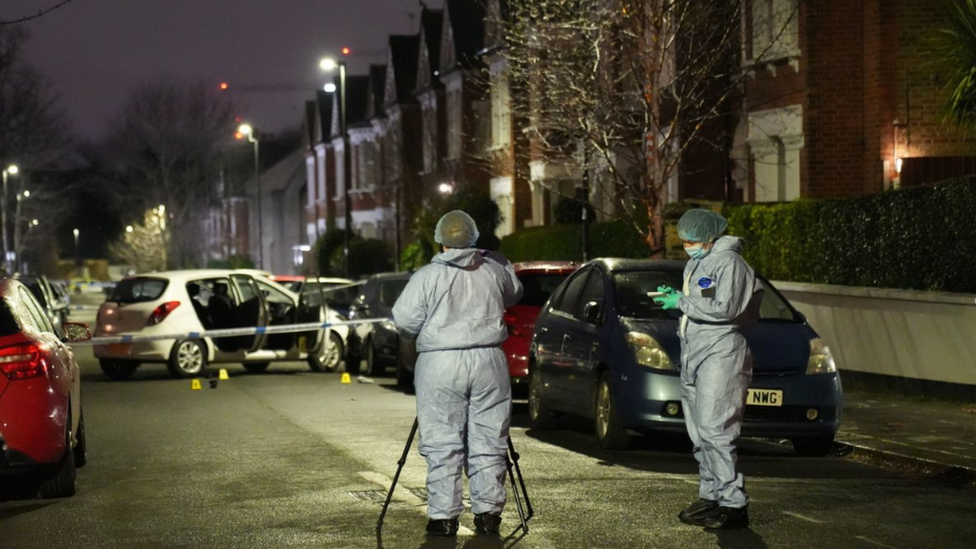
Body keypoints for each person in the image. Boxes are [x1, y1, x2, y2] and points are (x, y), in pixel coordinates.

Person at [392, 210, 523, 537]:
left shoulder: (426, 276)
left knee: (442, 440)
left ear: (441, 241)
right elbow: (515, 291)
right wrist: (498, 261)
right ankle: (489, 513)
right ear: (474, 238)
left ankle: (444, 516)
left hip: (441, 363)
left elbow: (405, 321)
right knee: (489, 438)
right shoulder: (492, 270)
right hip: (488, 361)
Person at [653, 209, 763, 530]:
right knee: (700, 434)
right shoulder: (699, 262)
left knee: (716, 431)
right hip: (696, 354)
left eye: (691, 240)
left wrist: (681, 302)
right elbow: (704, 304)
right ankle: (712, 494)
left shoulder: (730, 264)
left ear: (709, 238)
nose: (686, 245)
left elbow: (726, 309)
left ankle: (733, 503)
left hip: (722, 353)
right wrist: (678, 300)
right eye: (684, 240)